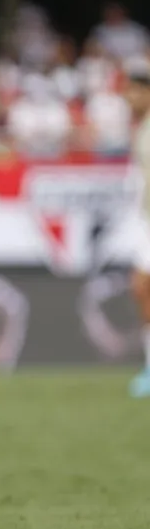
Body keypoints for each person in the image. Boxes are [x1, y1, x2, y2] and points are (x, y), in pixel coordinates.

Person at [122, 62, 150, 397]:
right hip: (146, 220)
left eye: (134, 90)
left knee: (142, 287)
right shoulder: (142, 129)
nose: (129, 97)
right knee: (141, 289)